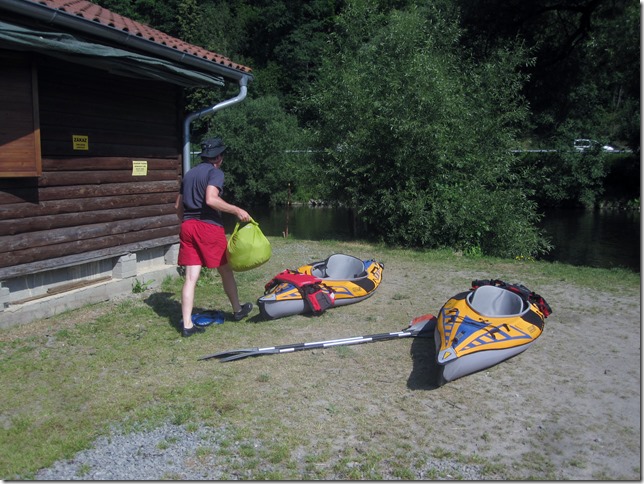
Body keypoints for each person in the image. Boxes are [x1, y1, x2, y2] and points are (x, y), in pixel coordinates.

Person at [175, 137, 253, 337]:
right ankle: (237, 310)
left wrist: (186, 222)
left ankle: (187, 325)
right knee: (225, 270)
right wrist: (236, 210)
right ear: (218, 157)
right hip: (207, 227)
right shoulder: (215, 172)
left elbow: (178, 206)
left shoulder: (189, 174)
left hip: (187, 226)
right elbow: (211, 199)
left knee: (191, 277)